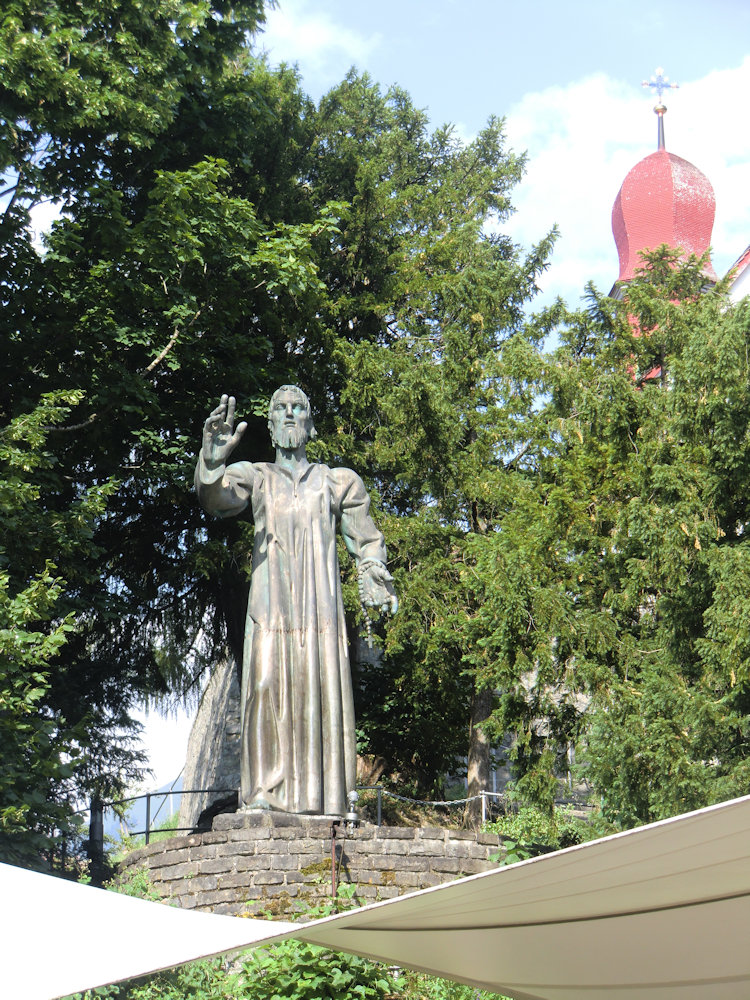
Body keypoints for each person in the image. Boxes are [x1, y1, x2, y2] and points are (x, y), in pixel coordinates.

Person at [195, 387, 397, 816]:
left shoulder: (337, 482)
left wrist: (373, 568)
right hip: (269, 607)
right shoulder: (257, 476)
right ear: (270, 424)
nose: (289, 415)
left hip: (319, 609)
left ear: (309, 421)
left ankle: (326, 799)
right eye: (280, 410)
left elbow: (367, 539)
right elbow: (216, 498)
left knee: (319, 690)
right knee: (264, 685)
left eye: (298, 408)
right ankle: (264, 793)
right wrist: (212, 460)